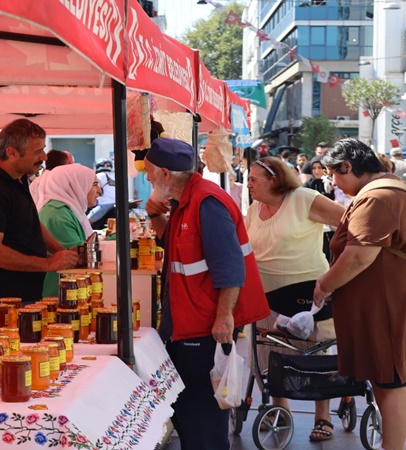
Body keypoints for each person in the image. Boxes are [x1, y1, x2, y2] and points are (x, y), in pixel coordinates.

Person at [314, 138, 406, 450]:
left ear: (347, 166)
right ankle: (397, 441)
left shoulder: (378, 197)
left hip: (389, 304)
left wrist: (324, 285)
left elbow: (358, 257)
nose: (333, 182)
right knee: (385, 376)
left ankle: (394, 445)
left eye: (333, 174)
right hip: (389, 301)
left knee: (392, 380)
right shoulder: (390, 188)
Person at [144, 137, 270, 450]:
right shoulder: (186, 201)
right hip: (190, 322)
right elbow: (174, 245)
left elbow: (229, 266)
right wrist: (154, 215)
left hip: (204, 325)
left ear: (165, 174)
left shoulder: (206, 202)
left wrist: (224, 317)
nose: (147, 179)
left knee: (202, 414)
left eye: (149, 173)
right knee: (189, 410)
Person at [245, 156, 345, 442]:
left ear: (274, 179)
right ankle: (280, 410)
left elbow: (350, 223)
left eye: (253, 179)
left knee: (315, 351)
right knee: (268, 352)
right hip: (265, 296)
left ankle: (323, 416)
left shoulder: (303, 198)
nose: (248, 184)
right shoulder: (253, 210)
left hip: (306, 293)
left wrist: (339, 268)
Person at [0, 119, 79, 306]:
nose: (44, 157)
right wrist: (48, 263)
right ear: (12, 152)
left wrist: (62, 253)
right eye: (37, 152)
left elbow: (32, 223)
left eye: (43, 149)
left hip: (23, 296)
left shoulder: (18, 180)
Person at [39, 164, 101, 297]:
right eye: (94, 184)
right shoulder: (57, 214)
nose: (100, 191)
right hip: (59, 295)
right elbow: (78, 256)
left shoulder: (68, 210)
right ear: (76, 185)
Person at [87, 158, 115, 226]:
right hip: (116, 203)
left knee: (86, 222)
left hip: (105, 204)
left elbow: (91, 189)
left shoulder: (99, 176)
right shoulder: (115, 175)